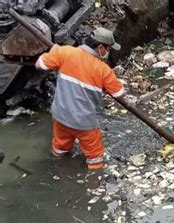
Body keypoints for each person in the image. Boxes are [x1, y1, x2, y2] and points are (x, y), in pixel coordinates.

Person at [35, 27, 125, 170]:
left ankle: (57, 170)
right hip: (84, 122)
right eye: (108, 49)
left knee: (59, 147)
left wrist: (55, 52)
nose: (108, 52)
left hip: (61, 115)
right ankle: (95, 184)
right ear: (100, 47)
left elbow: (39, 64)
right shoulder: (103, 70)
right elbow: (119, 93)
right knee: (95, 156)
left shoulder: (64, 52)